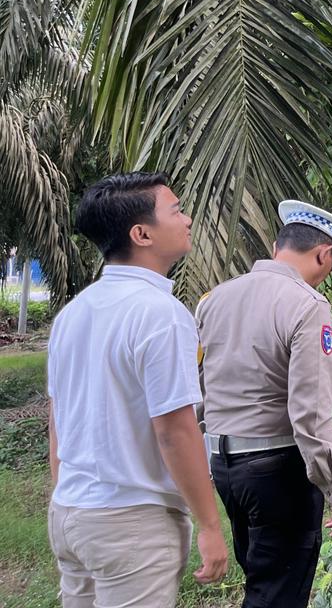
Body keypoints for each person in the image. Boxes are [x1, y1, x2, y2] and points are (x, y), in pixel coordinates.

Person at [46, 172, 229, 607]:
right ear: (141, 233)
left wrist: (64, 497)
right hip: (132, 523)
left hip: (71, 513)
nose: (186, 220)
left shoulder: (73, 314)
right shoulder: (160, 314)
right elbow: (175, 429)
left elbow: (56, 419)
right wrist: (209, 525)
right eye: (176, 210)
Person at [196, 199, 332, 608]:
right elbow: (310, 413)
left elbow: (200, 388)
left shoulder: (214, 299)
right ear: (325, 255)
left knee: (261, 579)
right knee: (278, 594)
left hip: (225, 464)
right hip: (277, 471)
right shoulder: (307, 306)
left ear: (276, 246)